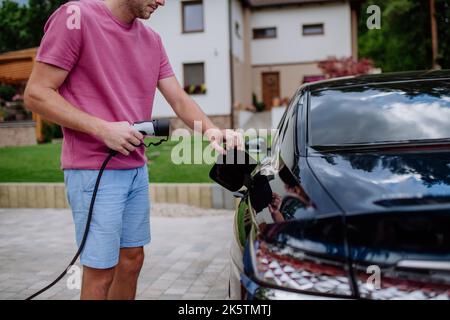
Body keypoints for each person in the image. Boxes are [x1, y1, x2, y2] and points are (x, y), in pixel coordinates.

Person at [24, 0, 240, 300]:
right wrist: (102, 128)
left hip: (135, 169)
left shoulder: (152, 40)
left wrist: (213, 130)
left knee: (132, 260)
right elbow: (36, 93)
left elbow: (178, 98)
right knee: (101, 271)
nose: (162, 1)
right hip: (93, 170)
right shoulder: (76, 16)